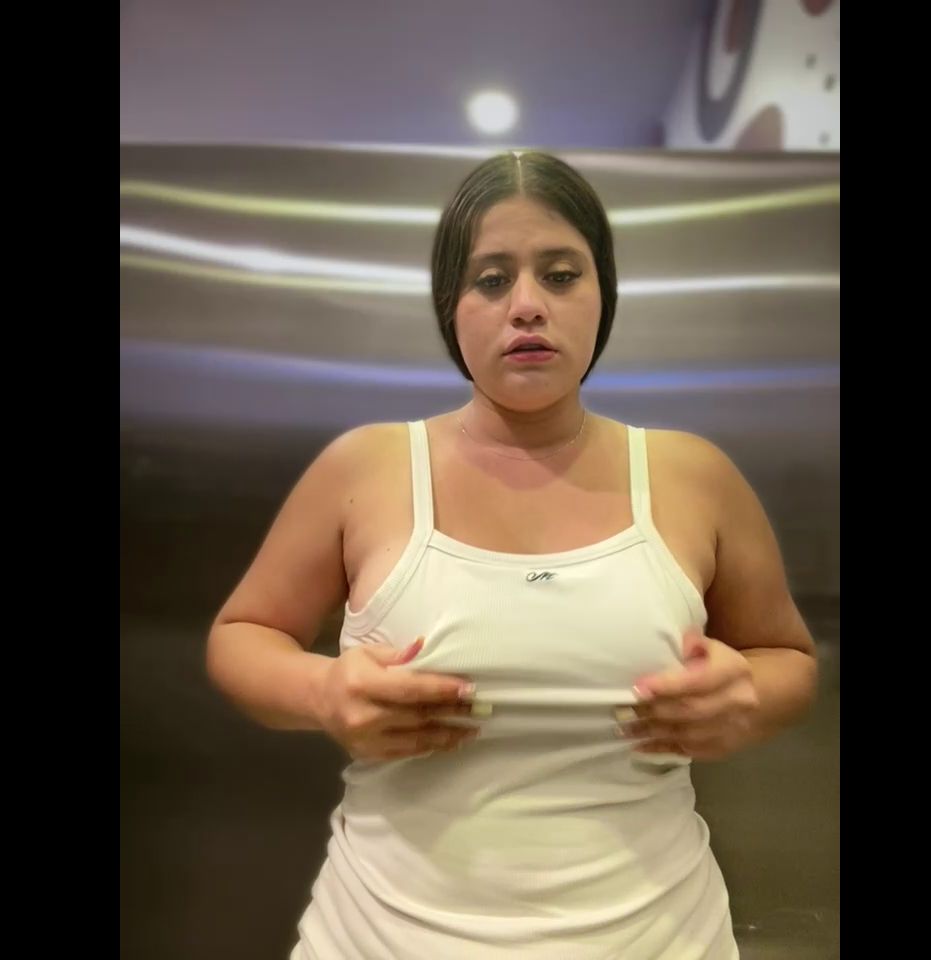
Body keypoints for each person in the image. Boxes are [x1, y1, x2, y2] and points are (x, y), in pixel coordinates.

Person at [205, 150, 818, 959]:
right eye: (491, 280)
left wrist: (747, 698)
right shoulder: (365, 468)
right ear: (450, 306)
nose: (527, 306)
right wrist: (321, 691)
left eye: (561, 275)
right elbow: (242, 635)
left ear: (603, 293)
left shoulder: (692, 475)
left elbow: (786, 656)